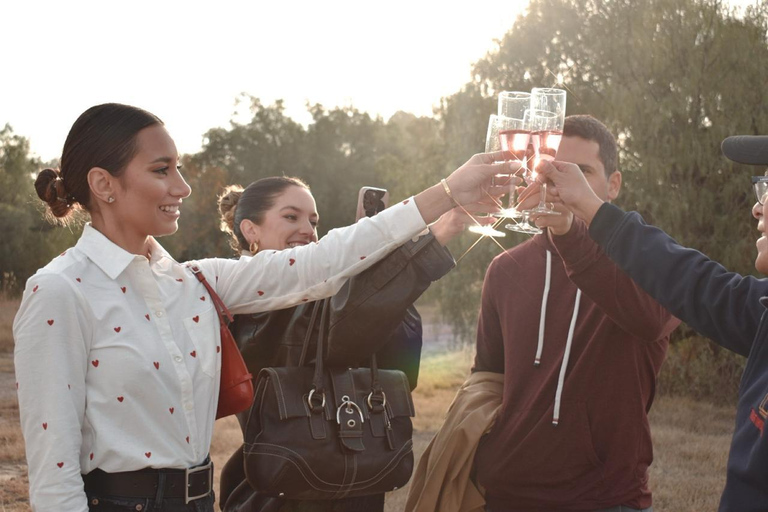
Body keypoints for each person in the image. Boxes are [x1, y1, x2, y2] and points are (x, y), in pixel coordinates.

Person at [12, 103, 509, 512]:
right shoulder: (60, 292)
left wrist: (447, 195)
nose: (183, 186)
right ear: (104, 184)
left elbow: (322, 264)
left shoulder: (198, 281)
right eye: (162, 170)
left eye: (179, 168)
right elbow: (53, 479)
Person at [215, 176, 483, 512]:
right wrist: (430, 240)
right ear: (250, 231)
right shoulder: (247, 304)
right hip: (279, 496)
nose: (307, 230)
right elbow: (334, 340)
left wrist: (373, 268)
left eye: (314, 221)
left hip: (352, 487)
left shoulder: (326, 295)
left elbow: (399, 371)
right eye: (290, 217)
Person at [537, 134, 768, 512]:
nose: (758, 208)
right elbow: (691, 280)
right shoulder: (761, 311)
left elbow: (660, 307)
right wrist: (591, 212)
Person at [472, 115, 680, 511]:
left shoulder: (648, 259)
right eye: (551, 167)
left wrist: (573, 236)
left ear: (613, 185)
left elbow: (651, 320)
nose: (561, 182)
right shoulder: (505, 268)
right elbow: (487, 381)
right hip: (506, 496)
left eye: (581, 172)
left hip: (605, 498)